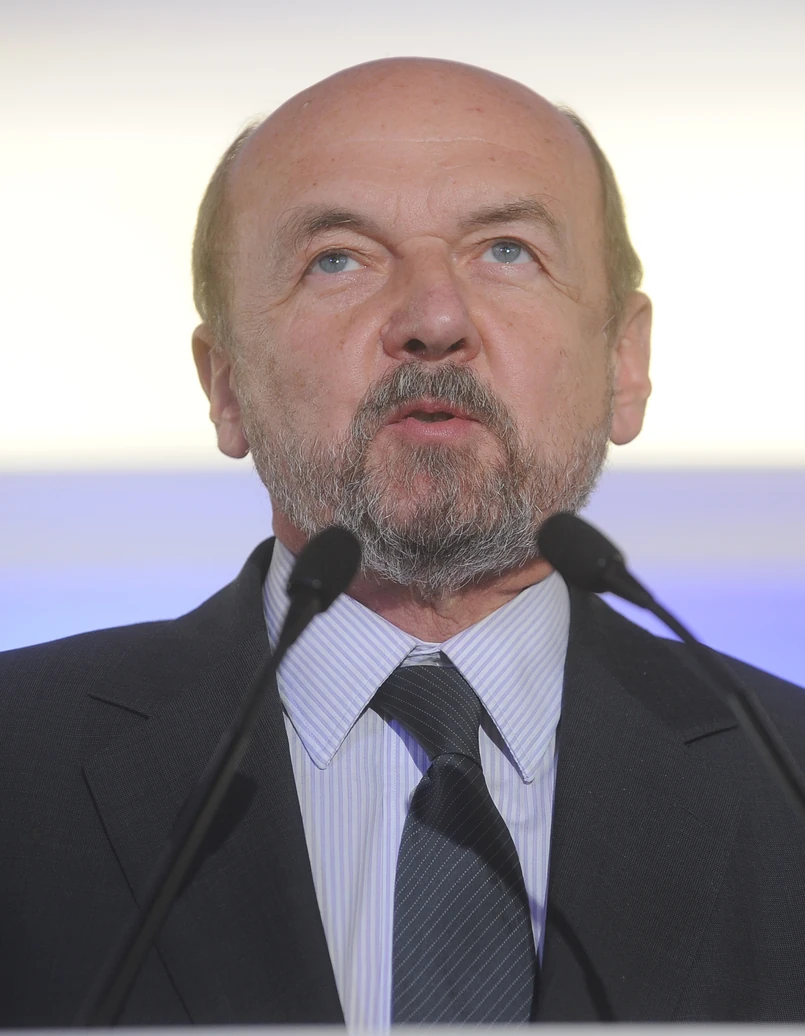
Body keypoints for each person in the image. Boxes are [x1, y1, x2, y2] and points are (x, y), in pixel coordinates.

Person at [2, 57, 804, 1027]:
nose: (434, 320)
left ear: (622, 364)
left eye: (506, 250)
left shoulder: (786, 776)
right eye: (337, 259)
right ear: (225, 385)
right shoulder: (19, 763)